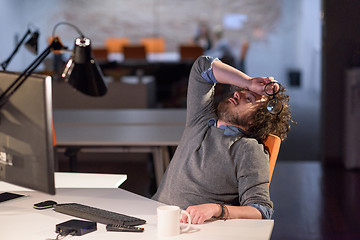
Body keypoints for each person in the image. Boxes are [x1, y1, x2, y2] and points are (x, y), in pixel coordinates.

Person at [152, 55, 293, 224]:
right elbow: (202, 66)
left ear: (255, 120)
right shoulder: (201, 120)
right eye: (241, 90)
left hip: (188, 228)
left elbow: (261, 209)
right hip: (153, 215)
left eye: (249, 99)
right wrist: (248, 82)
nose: (238, 94)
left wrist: (216, 209)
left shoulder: (248, 149)